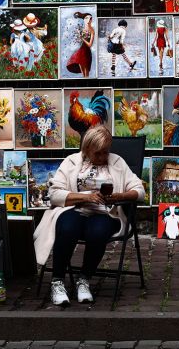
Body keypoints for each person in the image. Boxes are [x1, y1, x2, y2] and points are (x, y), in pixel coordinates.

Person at [33, 126, 146, 306]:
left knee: (98, 232)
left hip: (107, 213)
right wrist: (86, 197)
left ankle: (84, 279)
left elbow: (139, 191)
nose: (102, 158)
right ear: (86, 150)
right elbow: (54, 194)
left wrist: (119, 196)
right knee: (68, 227)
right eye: (97, 154)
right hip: (74, 210)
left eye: (105, 153)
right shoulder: (71, 162)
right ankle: (57, 281)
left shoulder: (117, 162)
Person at [65, 12, 95, 77]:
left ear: (91, 20)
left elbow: (90, 45)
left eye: (90, 18)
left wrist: (82, 38)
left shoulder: (92, 30)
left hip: (86, 52)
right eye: (87, 18)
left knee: (86, 73)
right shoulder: (83, 30)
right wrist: (79, 37)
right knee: (80, 67)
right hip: (81, 51)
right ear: (84, 19)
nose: (88, 20)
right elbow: (80, 41)